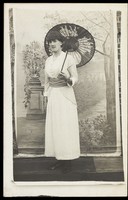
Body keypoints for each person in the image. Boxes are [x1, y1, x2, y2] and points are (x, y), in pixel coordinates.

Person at [44, 31, 80, 173]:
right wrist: (46, 95)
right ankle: (59, 158)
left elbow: (75, 78)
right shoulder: (48, 60)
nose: (51, 44)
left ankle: (68, 160)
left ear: (61, 43)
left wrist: (68, 78)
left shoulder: (68, 58)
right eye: (49, 42)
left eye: (54, 41)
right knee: (56, 126)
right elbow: (46, 80)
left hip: (65, 96)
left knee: (65, 126)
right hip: (53, 96)